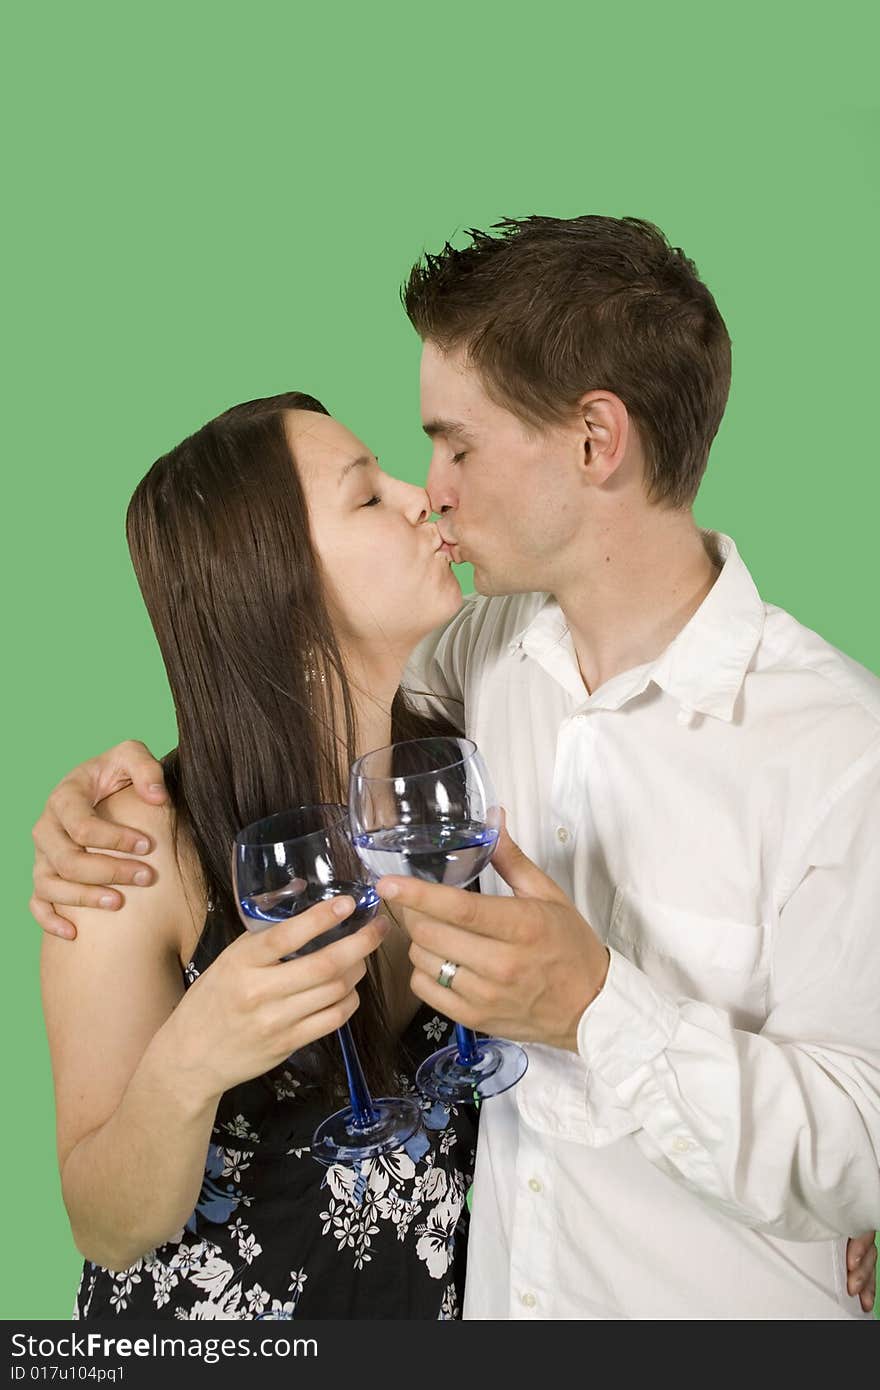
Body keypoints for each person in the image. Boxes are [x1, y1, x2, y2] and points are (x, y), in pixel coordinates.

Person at [32, 217, 879, 1318]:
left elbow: (856, 1144)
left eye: (455, 446)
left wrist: (595, 1008)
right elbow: (269, 661)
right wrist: (96, 797)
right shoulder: (477, 666)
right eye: (385, 479)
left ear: (594, 441)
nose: (429, 490)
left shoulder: (833, 745)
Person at [37, 391, 477, 1320]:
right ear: (273, 583)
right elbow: (106, 1229)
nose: (418, 497)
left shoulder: (458, 773)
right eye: (366, 497)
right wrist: (192, 1058)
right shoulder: (138, 848)